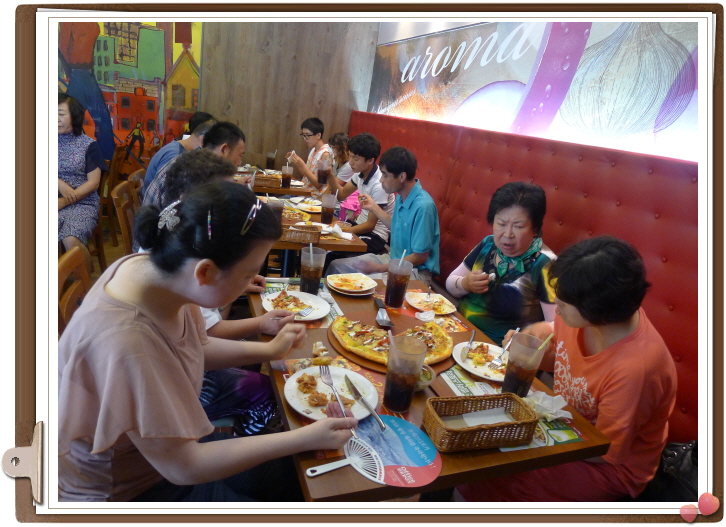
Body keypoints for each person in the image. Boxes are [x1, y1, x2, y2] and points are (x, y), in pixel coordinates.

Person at [58, 181, 358, 502]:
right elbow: (184, 466)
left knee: (288, 474)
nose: (252, 282)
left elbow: (195, 346)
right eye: (248, 275)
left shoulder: (158, 271)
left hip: (165, 454)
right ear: (205, 273)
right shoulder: (128, 341)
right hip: (133, 488)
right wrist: (305, 438)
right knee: (299, 481)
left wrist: (270, 349)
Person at [456, 236, 677, 501]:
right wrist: (530, 352)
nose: (556, 308)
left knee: (489, 468)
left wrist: (526, 439)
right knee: (472, 442)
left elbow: (605, 451)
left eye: (563, 303)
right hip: (564, 421)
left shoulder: (636, 369)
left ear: (596, 310)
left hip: (605, 466)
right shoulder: (586, 318)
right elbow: (567, 365)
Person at [445, 181, 556, 346]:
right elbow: (450, 283)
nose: (507, 234)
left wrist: (526, 337)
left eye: (518, 226)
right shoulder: (488, 244)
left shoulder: (545, 264)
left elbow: (557, 324)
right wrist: (465, 284)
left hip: (498, 350)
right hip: (455, 330)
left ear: (535, 229)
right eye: (501, 224)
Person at [325, 146, 439, 285]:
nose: (381, 180)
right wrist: (373, 207)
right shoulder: (401, 196)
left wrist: (379, 268)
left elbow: (420, 256)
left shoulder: (423, 206)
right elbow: (396, 226)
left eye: (385, 175)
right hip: (393, 259)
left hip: (416, 272)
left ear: (401, 177)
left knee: (356, 283)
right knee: (337, 266)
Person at [322, 133, 395, 269]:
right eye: (350, 156)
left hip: (375, 237)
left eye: (355, 158)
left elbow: (370, 225)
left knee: (331, 254)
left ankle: (323, 282)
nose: (350, 162)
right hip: (360, 227)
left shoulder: (379, 184)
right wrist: (330, 176)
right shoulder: (359, 175)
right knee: (323, 234)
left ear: (370, 160)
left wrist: (341, 232)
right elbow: (341, 195)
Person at [142, 121, 246, 212]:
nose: (240, 162)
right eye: (240, 155)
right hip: (158, 225)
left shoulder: (196, 161)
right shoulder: (195, 172)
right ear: (224, 149)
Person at [58, 92, 108, 272]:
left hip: (82, 203)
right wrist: (58, 183)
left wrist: (64, 201)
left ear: (75, 116)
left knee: (70, 238)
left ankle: (84, 285)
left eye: (61, 114)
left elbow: (93, 183)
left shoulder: (88, 145)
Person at [141, 111, 216, 196]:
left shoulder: (184, 148)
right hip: (157, 202)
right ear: (203, 138)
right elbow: (167, 193)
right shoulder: (174, 155)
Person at [285, 117, 333, 200]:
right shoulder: (313, 150)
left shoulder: (325, 154)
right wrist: (297, 162)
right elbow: (305, 176)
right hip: (303, 193)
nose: (305, 139)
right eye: (303, 135)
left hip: (313, 198)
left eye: (307, 135)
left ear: (318, 135)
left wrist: (303, 165)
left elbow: (318, 184)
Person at [328, 132, 359, 221]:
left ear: (342, 149)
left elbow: (332, 187)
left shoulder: (348, 166)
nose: (331, 150)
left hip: (341, 207)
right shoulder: (337, 162)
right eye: (331, 147)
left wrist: (329, 166)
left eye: (333, 147)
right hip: (334, 202)